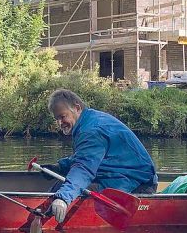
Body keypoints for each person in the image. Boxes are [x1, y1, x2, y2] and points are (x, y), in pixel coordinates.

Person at [44, 89, 157, 223]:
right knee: (64, 184)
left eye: (62, 117)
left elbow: (84, 168)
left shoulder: (91, 130)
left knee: (61, 188)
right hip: (117, 174)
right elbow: (86, 157)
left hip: (137, 182)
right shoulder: (89, 120)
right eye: (57, 119)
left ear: (77, 108)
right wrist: (60, 166)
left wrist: (63, 198)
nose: (60, 123)